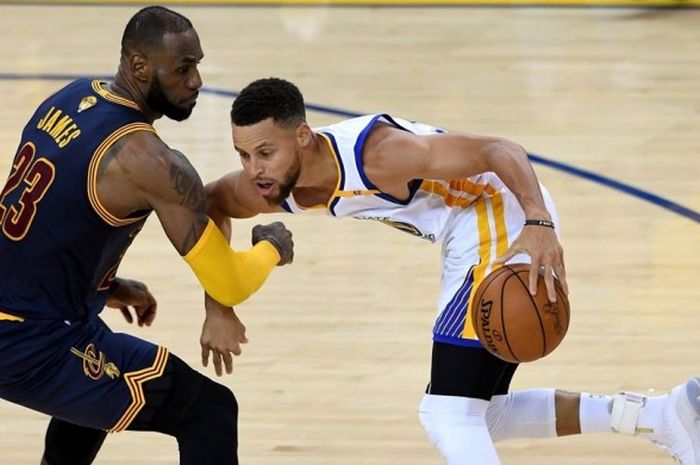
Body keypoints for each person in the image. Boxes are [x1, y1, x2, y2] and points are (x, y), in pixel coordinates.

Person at [204, 77, 700, 465]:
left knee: (446, 413)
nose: (254, 169)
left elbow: (498, 150)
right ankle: (659, 416)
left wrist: (539, 223)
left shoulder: (377, 155)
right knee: (483, 413)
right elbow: (208, 204)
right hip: (465, 237)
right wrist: (218, 303)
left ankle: (661, 418)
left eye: (265, 153)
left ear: (304, 137)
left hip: (501, 217)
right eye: (243, 155)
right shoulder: (272, 185)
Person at [0, 7, 294, 465]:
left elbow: (38, 222)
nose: (196, 81)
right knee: (208, 410)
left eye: (197, 64)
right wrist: (271, 246)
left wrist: (108, 287)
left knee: (91, 379)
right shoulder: (151, 163)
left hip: (30, 316)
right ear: (139, 66)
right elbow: (229, 282)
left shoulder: (70, 98)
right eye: (183, 68)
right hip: (27, 342)